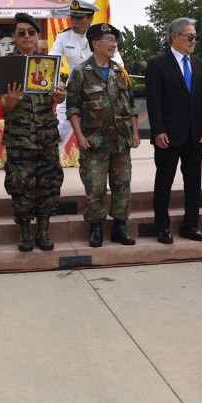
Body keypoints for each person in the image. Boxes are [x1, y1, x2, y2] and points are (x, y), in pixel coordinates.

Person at [66, 22, 139, 247]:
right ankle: (96, 227)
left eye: (115, 40)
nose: (114, 44)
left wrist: (135, 132)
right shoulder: (81, 72)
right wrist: (79, 136)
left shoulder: (120, 71)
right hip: (94, 141)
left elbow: (131, 106)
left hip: (121, 140)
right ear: (95, 43)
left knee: (122, 185)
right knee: (95, 187)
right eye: (109, 40)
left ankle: (120, 227)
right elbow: (73, 108)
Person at [0, 13, 66, 251]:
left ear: (37, 36)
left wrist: (60, 97)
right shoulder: (5, 67)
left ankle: (44, 231)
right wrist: (10, 103)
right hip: (20, 139)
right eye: (21, 33)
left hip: (46, 137)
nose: (27, 36)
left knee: (49, 184)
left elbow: (55, 97)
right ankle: (25, 232)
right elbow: (4, 105)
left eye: (31, 32)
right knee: (21, 186)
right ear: (14, 37)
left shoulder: (48, 64)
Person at [146, 17, 202, 243]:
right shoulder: (157, 64)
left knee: (193, 183)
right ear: (174, 37)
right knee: (164, 181)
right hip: (167, 135)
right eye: (190, 36)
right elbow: (153, 101)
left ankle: (190, 225)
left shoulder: (201, 66)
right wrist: (158, 130)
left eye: (195, 37)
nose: (194, 41)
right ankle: (162, 227)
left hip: (195, 136)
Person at [49, 0, 123, 154]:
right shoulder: (63, 37)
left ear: (90, 19)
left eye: (79, 18)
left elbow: (118, 65)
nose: (74, 21)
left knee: (102, 133)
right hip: (72, 92)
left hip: (97, 94)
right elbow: (50, 63)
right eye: (72, 17)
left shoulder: (102, 38)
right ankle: (51, 162)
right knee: (60, 130)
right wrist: (57, 85)